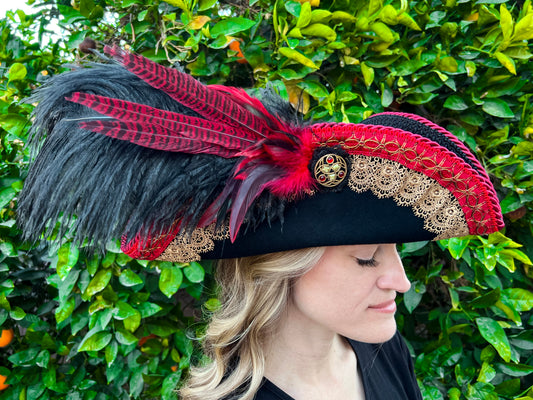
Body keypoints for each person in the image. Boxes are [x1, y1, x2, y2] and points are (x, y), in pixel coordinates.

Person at [18, 45, 504, 400]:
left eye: (395, 252)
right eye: (364, 258)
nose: (399, 280)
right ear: (283, 265)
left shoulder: (382, 350)